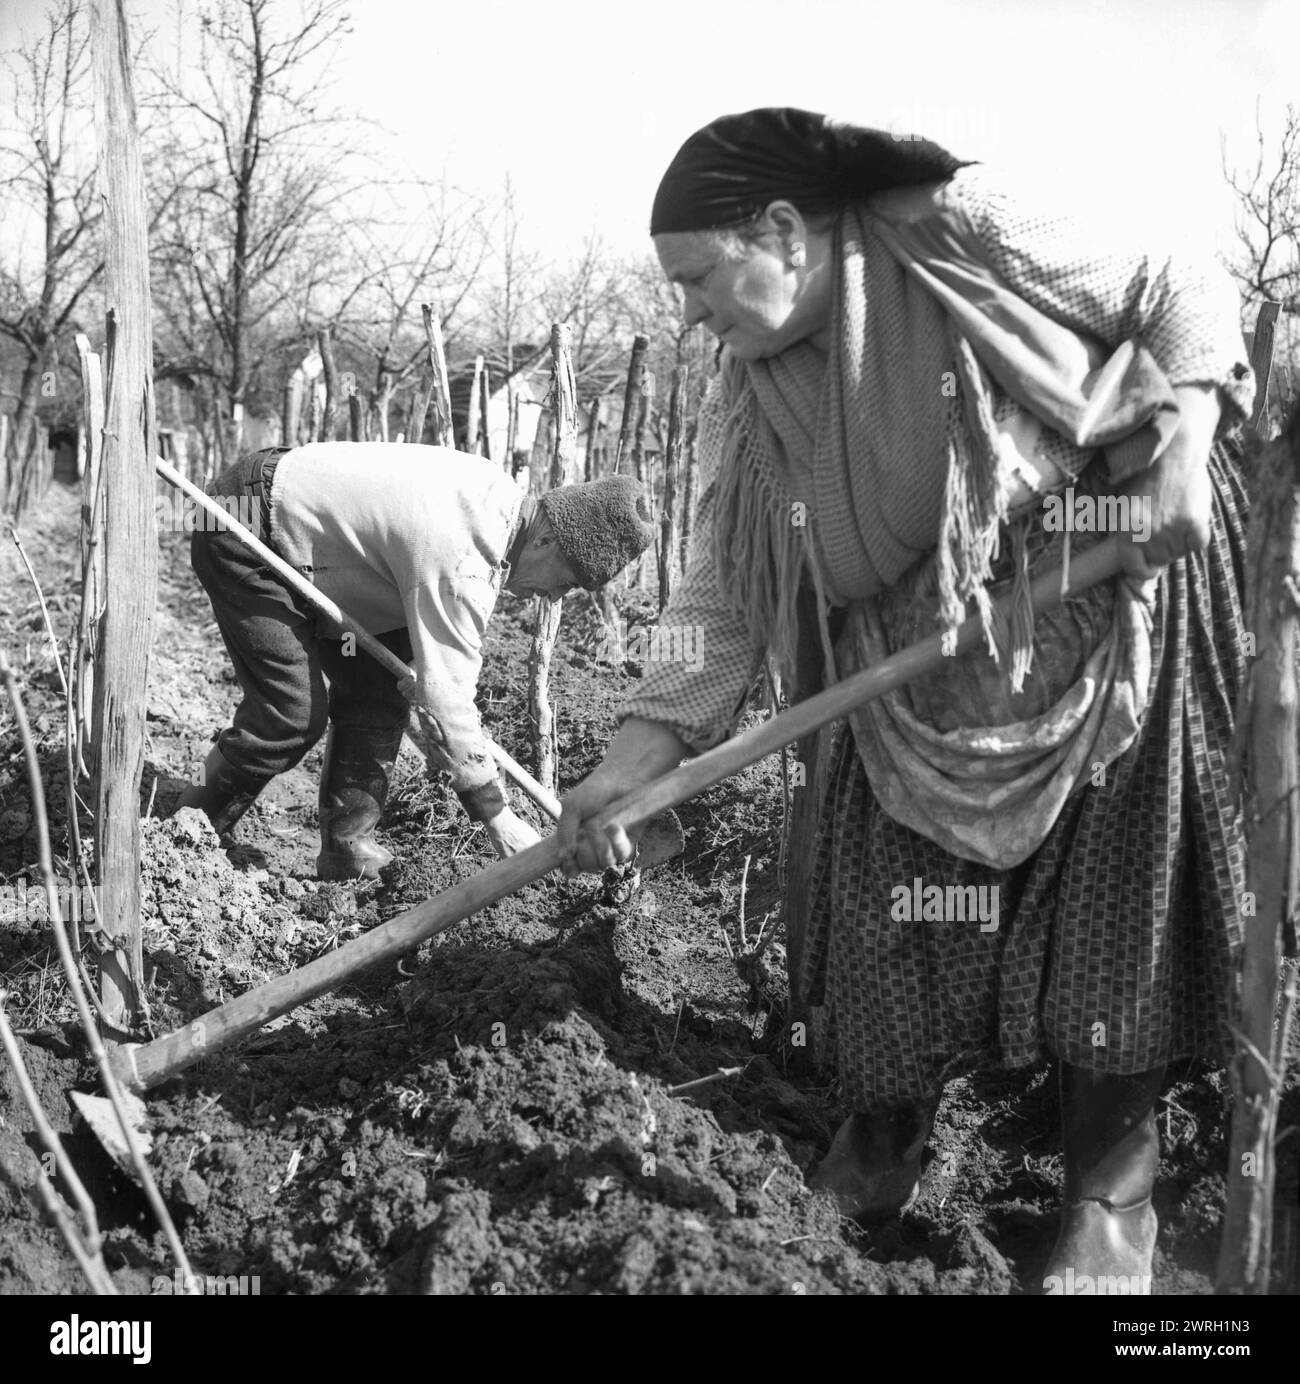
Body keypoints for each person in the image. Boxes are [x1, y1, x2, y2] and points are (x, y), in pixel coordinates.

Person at [557, 108, 1255, 1293]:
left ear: (782, 230)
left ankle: (1109, 1189)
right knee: (885, 906)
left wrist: (1188, 434)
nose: (687, 313)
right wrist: (646, 736)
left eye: (698, 279)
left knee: (1111, 911)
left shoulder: (951, 223)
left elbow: (1175, 274)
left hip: (1104, 593)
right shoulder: (754, 382)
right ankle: (882, 1134)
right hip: (915, 655)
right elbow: (722, 575)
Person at [178, 441, 654, 878]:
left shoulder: (498, 502)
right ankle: (183, 835)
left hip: (331, 559)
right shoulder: (464, 557)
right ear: (547, 541)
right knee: (290, 716)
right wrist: (497, 817)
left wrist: (430, 682)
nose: (552, 597)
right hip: (246, 526)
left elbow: (434, 682)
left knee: (376, 691)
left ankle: (346, 848)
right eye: (565, 581)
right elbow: (447, 697)